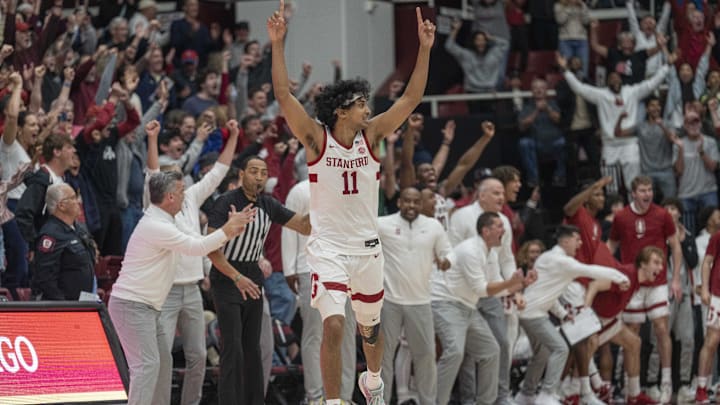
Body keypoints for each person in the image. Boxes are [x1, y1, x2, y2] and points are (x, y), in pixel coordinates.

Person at [268, 1, 435, 404]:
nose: (368, 108)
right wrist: (277, 43)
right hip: (327, 248)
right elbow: (282, 95)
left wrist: (425, 48)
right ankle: (333, 401)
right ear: (342, 110)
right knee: (334, 326)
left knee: (371, 331)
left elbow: (411, 99)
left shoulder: (373, 135)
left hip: (367, 248)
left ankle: (372, 382)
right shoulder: (315, 138)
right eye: (361, 102)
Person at [108, 170, 254, 405]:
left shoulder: (168, 220)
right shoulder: (156, 225)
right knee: (146, 366)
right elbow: (196, 247)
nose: (185, 196)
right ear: (170, 198)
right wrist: (228, 229)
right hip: (131, 305)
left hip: (146, 307)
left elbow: (200, 242)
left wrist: (230, 230)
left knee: (161, 363)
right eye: (181, 192)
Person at [145, 119, 237, 405]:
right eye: (171, 174)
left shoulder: (192, 198)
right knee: (163, 358)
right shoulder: (155, 204)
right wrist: (152, 138)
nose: (179, 178)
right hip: (166, 290)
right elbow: (151, 173)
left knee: (198, 355)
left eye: (179, 174)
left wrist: (233, 136)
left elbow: (219, 172)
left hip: (193, 290)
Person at [206, 155, 311, 405]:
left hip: (252, 276)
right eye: (253, 171)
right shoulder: (225, 203)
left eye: (263, 172)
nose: (259, 176)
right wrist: (236, 277)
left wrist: (326, 202)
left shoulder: (269, 204)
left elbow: (305, 226)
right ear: (241, 175)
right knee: (233, 348)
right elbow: (211, 249)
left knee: (253, 348)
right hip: (226, 276)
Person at [515, 225, 630, 405]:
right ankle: (547, 395)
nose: (580, 243)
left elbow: (546, 292)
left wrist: (562, 314)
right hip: (533, 314)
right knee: (560, 348)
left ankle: (526, 395)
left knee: (542, 354)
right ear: (566, 241)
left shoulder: (547, 258)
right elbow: (591, 271)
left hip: (531, 312)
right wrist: (621, 277)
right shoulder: (562, 261)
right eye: (577, 239)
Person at [432, 212, 525, 405]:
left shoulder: (490, 251)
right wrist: (510, 283)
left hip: (467, 305)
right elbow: (482, 289)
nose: (504, 230)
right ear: (486, 230)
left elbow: (496, 285)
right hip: (445, 302)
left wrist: (518, 286)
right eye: (499, 226)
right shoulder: (470, 251)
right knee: (455, 352)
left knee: (491, 351)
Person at [282, 180, 358, 405]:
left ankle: (343, 397)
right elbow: (289, 227)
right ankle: (315, 397)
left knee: (347, 335)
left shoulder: (349, 186)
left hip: (348, 267)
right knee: (315, 335)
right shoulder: (300, 189)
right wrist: (289, 268)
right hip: (311, 267)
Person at [608, 175, 682, 404]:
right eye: (642, 190)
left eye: (649, 190)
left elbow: (675, 246)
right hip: (632, 283)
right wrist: (606, 275)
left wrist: (676, 278)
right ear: (633, 193)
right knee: (632, 332)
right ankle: (632, 389)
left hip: (658, 282)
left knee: (661, 327)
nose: (647, 194)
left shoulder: (662, 215)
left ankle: (666, 382)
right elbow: (611, 247)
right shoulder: (621, 217)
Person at [377, 187, 452, 405]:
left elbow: (448, 251)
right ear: (399, 202)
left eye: (415, 202)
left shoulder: (433, 226)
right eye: (406, 201)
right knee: (382, 358)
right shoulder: (382, 224)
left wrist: (447, 260)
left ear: (421, 204)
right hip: (388, 301)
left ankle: (428, 402)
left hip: (420, 301)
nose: (411, 206)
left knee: (426, 357)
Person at [588, 246, 668, 405]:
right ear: (643, 264)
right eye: (656, 263)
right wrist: (584, 315)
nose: (660, 268)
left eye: (662, 264)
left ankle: (634, 395)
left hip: (608, 320)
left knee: (634, 342)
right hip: (593, 319)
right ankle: (579, 392)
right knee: (583, 352)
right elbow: (594, 285)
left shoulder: (635, 281)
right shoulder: (626, 276)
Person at [31, 183, 95, 300]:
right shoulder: (51, 235)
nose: (78, 201)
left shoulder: (78, 229)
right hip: (64, 306)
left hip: (83, 301)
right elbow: (45, 277)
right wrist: (62, 304)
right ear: (61, 205)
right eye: (73, 197)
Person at [696, 218, 720, 404]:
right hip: (718, 295)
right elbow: (707, 263)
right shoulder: (717, 236)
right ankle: (701, 388)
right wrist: (704, 288)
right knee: (711, 341)